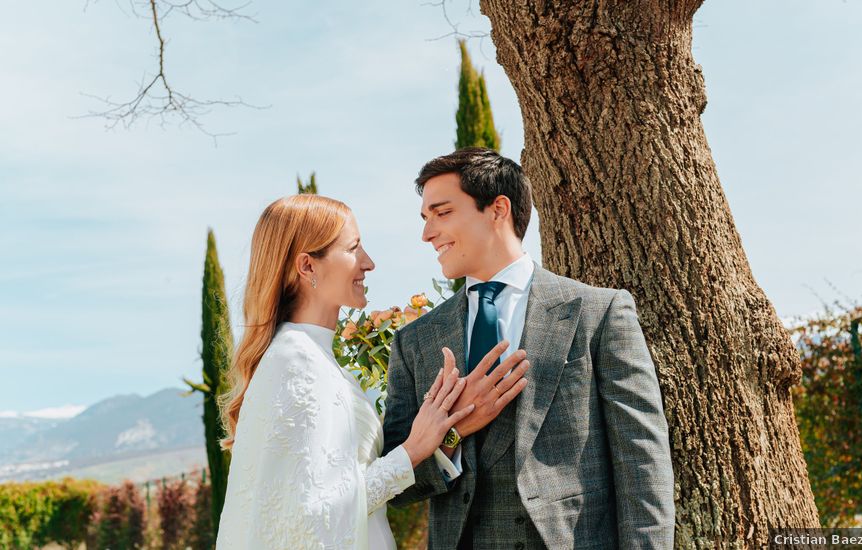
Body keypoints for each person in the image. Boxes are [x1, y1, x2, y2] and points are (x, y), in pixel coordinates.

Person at [382, 148, 675, 549]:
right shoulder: (416, 340)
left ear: (498, 209)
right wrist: (450, 434)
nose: (427, 233)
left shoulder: (598, 313)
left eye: (442, 212)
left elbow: (643, 462)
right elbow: (397, 487)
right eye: (425, 218)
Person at [214, 194, 528, 549]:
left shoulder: (314, 358)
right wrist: (412, 449)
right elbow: (312, 518)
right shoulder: (296, 362)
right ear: (308, 266)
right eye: (353, 248)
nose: (369, 263)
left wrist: (448, 430)